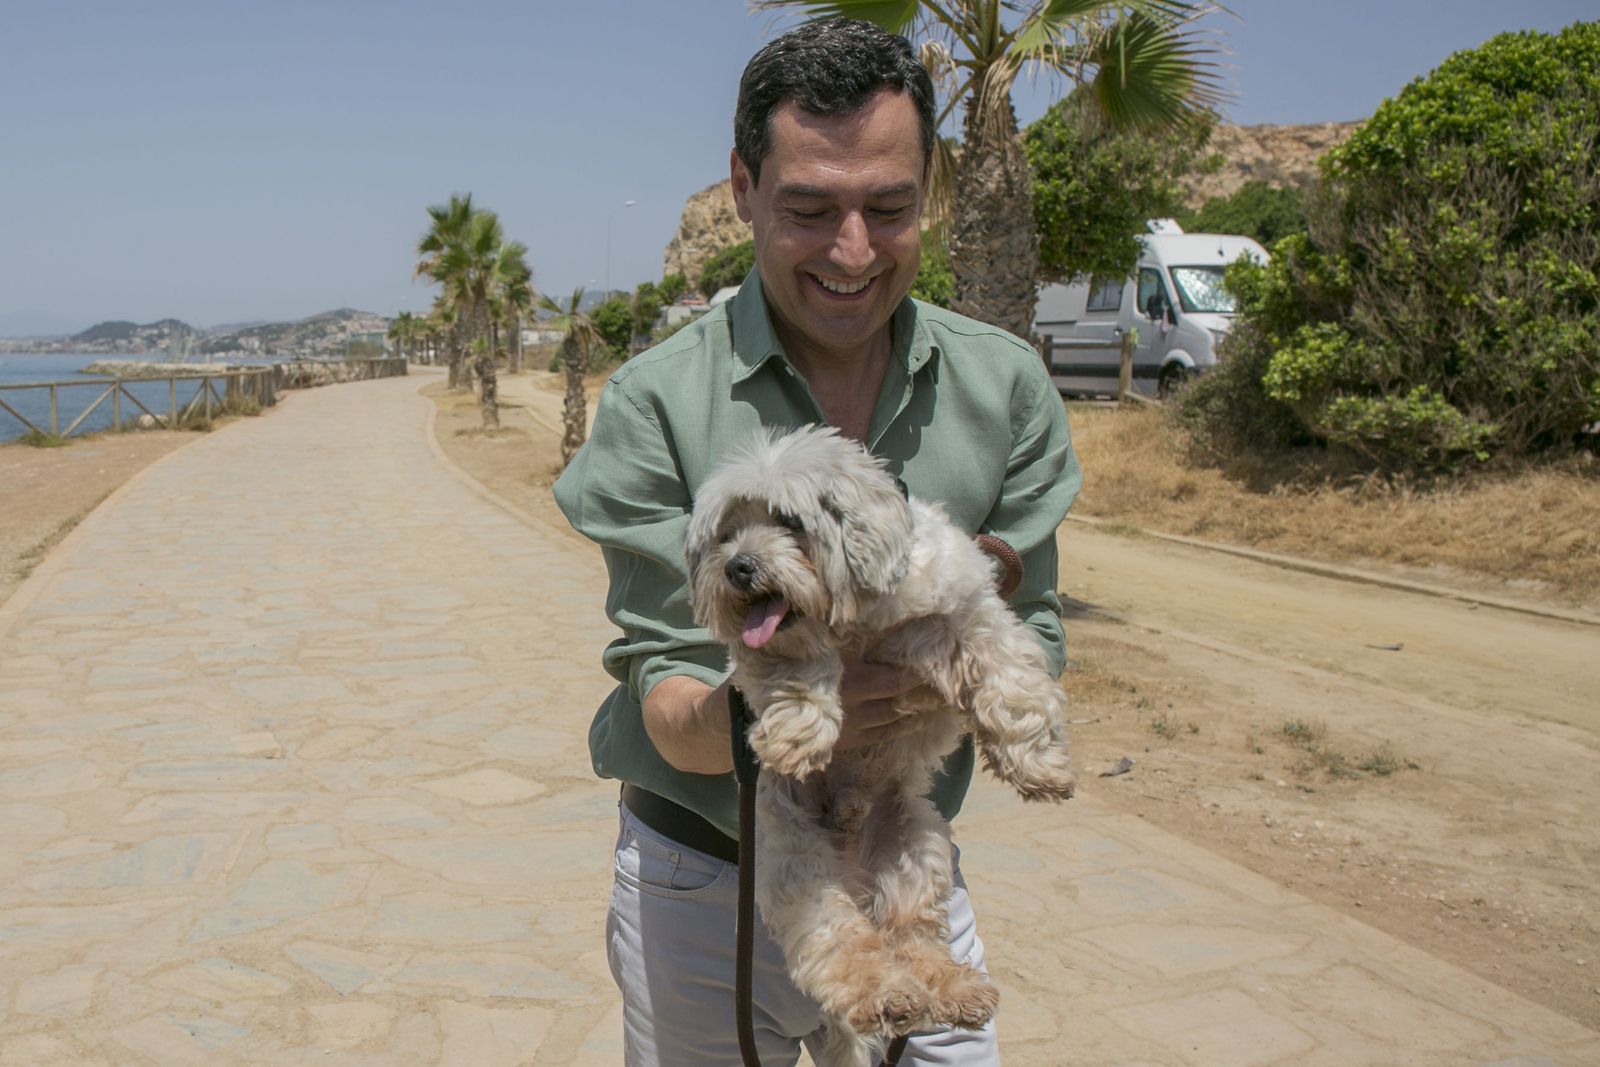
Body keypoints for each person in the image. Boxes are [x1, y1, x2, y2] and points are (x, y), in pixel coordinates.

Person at [553, 16, 1080, 1065]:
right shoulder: (657, 403)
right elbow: (665, 689)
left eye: (887, 207)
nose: (851, 251)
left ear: (929, 189)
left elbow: (1030, 633)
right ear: (744, 188)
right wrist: (777, 695)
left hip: (901, 856)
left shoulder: (1004, 386)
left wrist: (946, 671)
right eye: (807, 209)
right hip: (704, 875)